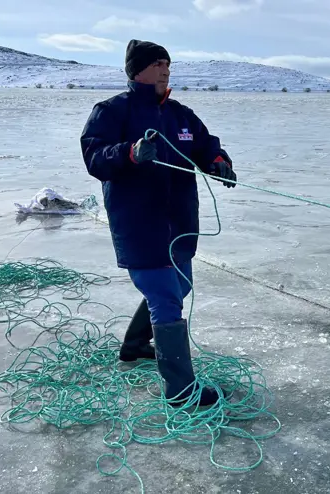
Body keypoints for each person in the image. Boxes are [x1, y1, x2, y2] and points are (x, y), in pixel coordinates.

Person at [79, 39, 237, 407]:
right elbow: (95, 158)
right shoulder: (112, 111)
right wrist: (130, 153)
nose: (165, 69)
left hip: (180, 220)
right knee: (166, 299)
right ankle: (181, 392)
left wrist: (218, 161)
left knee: (177, 288)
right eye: (157, 63)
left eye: (167, 62)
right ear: (137, 70)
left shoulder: (181, 114)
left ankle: (135, 345)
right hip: (140, 223)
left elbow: (205, 144)